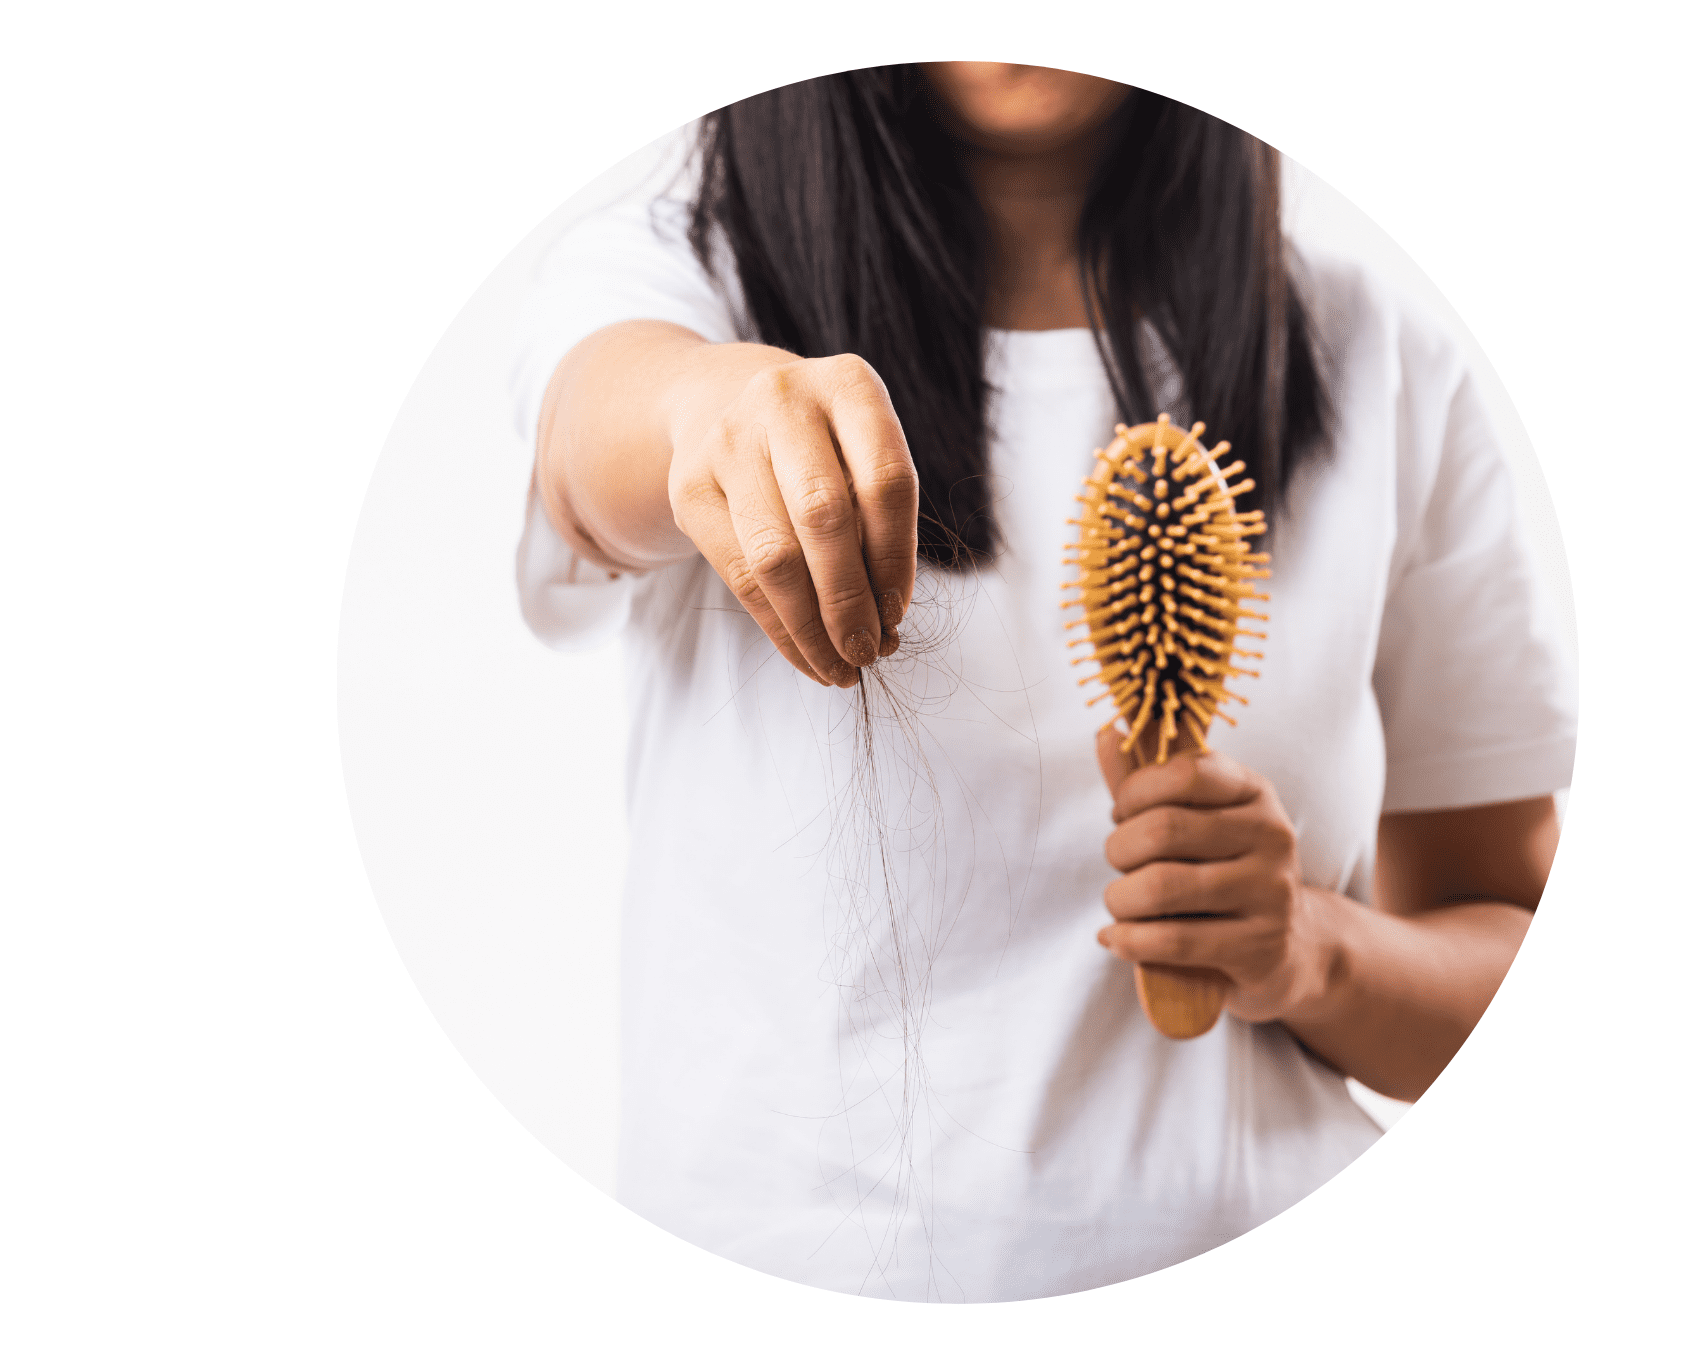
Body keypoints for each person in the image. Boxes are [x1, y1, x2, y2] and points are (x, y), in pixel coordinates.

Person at [511, 63, 1575, 1301]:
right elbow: (595, 441)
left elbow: (1508, 966)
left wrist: (1311, 954)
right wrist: (715, 406)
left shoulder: (1377, 350)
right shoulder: (679, 279)